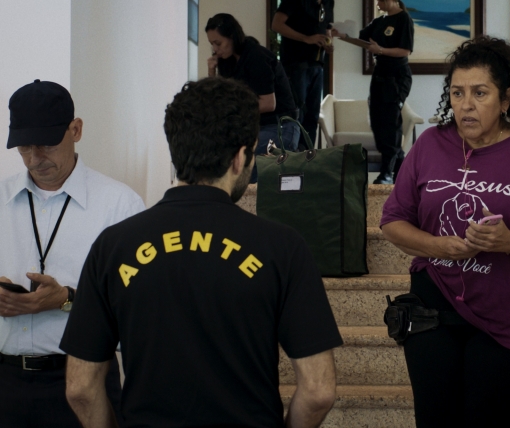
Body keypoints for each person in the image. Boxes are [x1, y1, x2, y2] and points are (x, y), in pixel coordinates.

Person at [60, 77, 342, 428]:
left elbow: (80, 388)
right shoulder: (283, 247)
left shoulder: (113, 245)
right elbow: (318, 391)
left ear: (176, 150)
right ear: (240, 157)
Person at [380, 37, 510, 427]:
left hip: (503, 316)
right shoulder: (430, 144)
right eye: (457, 93)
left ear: (505, 99)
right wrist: (437, 245)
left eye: (479, 93)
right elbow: (393, 221)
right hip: (431, 310)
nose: (465, 104)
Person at [0, 79, 144, 427]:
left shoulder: (120, 205)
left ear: (75, 130)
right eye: (23, 147)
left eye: (46, 144)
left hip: (84, 384)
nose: (35, 159)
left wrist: (67, 299)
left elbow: (138, 307)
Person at [206, 13, 300, 183]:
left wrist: (233, 110)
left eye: (218, 43)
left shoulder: (256, 56)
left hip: (280, 126)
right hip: (258, 128)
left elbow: (268, 103)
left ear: (232, 37)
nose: (215, 49)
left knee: (240, 160)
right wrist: (212, 72)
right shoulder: (228, 61)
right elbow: (218, 101)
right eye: (212, 44)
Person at [358, 0, 414, 184]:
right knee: (377, 123)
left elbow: (405, 50)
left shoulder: (403, 19)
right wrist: (341, 33)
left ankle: (386, 173)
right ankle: (401, 173)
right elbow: (363, 38)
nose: (379, 3)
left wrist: (380, 49)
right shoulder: (379, 21)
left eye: (381, 0)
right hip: (379, 76)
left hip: (396, 77)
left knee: (390, 125)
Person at [272, 0, 335, 150]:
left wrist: (328, 42)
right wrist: (306, 38)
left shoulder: (328, 2)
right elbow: (276, 24)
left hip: (317, 64)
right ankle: (292, 157)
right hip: (296, 63)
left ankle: (307, 158)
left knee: (312, 116)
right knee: (296, 113)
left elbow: (327, 28)